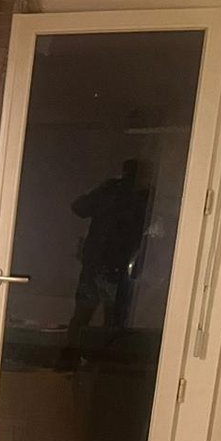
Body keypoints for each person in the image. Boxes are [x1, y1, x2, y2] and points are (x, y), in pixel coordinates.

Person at [60, 157, 151, 370]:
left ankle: (75, 364)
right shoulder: (138, 196)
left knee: (88, 316)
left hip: (105, 264)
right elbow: (79, 207)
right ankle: (101, 367)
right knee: (109, 320)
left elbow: (80, 207)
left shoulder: (118, 191)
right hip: (112, 265)